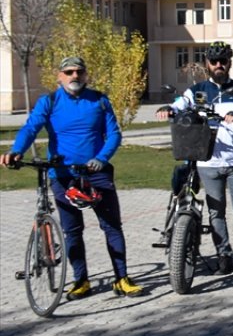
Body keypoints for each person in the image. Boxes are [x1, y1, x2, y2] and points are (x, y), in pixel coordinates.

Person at [2, 56, 142, 298]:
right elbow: (31, 127)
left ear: (86, 75)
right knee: (72, 231)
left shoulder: (99, 100)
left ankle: (121, 278)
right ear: (59, 76)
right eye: (69, 72)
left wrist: (102, 158)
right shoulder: (50, 101)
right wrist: (16, 150)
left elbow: (114, 134)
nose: (74, 76)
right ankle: (81, 280)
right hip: (63, 175)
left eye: (79, 71)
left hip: (96, 173)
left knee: (111, 227)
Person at [155, 42, 233, 276]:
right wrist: (170, 108)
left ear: (230, 63)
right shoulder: (197, 91)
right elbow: (182, 104)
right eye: (214, 62)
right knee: (216, 212)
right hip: (207, 161)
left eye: (223, 61)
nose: (219, 65)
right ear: (207, 64)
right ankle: (224, 255)